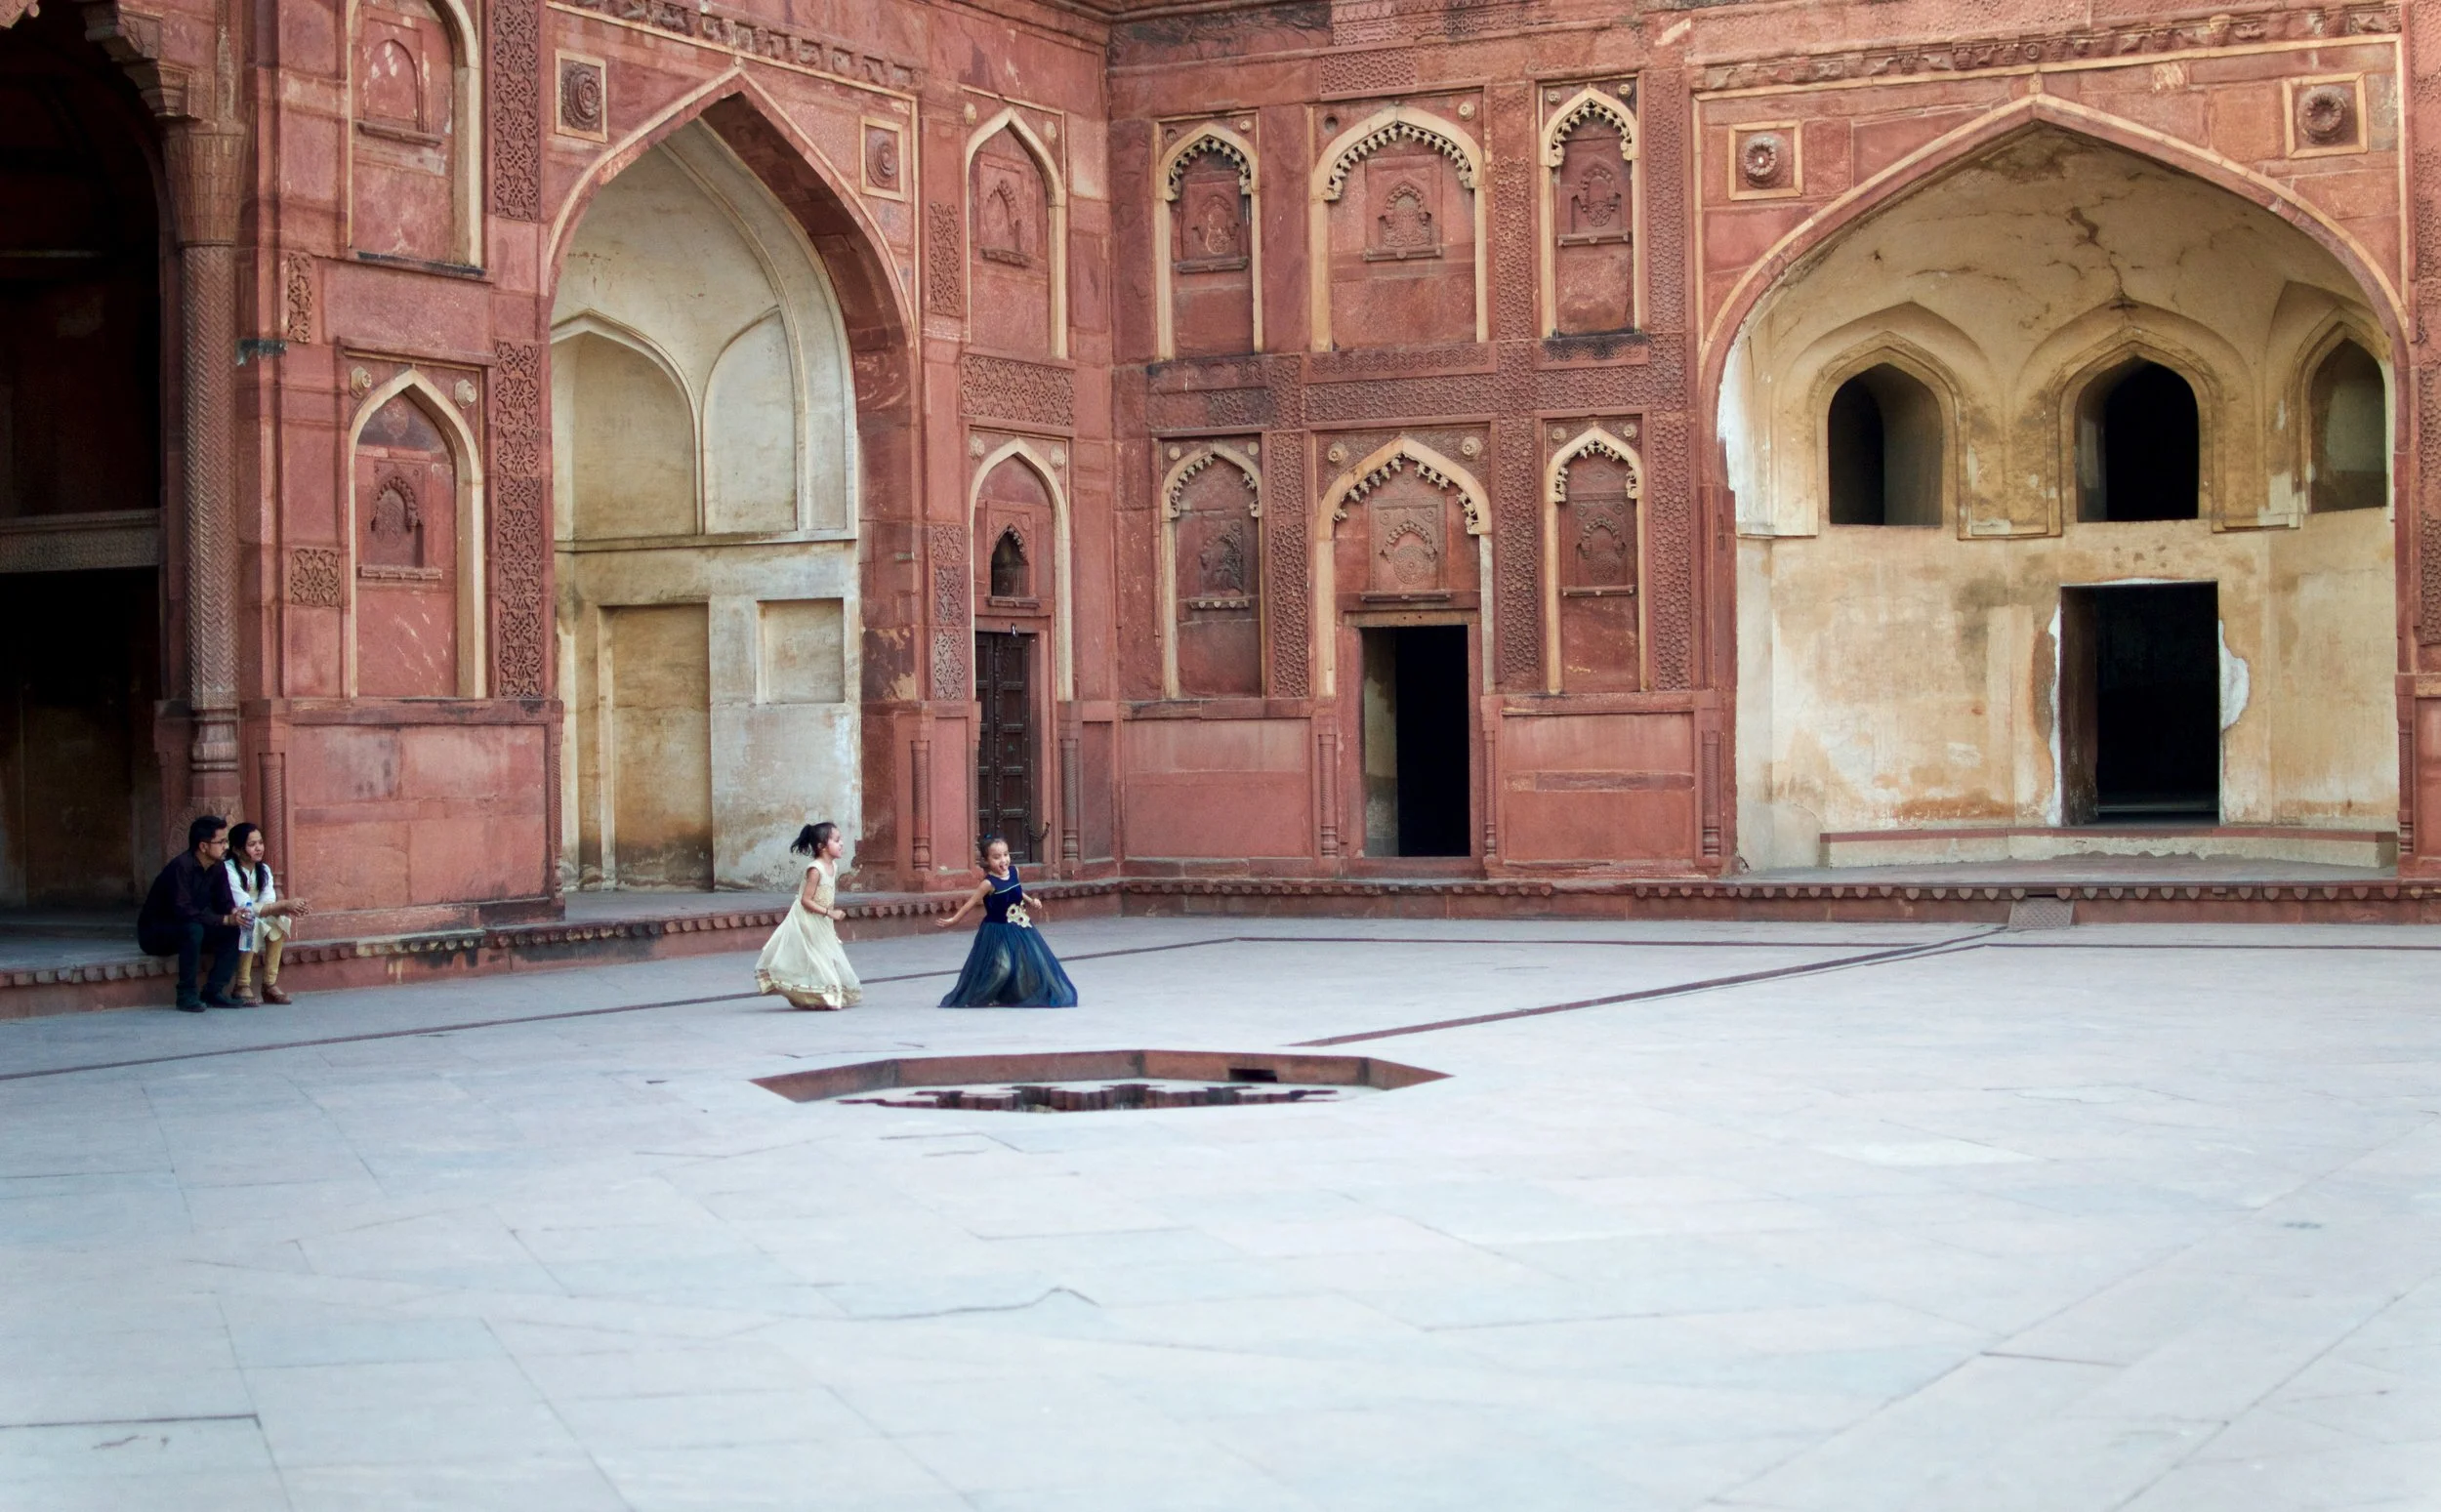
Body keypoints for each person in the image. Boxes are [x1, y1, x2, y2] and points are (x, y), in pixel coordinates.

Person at [934, 835, 1077, 1007]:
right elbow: (970, 904)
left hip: (1021, 927)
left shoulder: (1014, 872)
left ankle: (1015, 995)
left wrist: (1031, 901)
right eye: (996, 857)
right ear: (987, 860)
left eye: (1006, 854)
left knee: (1033, 961)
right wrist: (953, 920)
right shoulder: (988, 883)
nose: (1003, 860)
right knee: (1004, 967)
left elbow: (1017, 890)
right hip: (997, 931)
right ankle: (978, 998)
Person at [137, 815, 249, 1012]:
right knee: (193, 930)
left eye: (226, 841)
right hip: (157, 933)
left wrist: (235, 913)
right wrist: (223, 919)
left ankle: (213, 991)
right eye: (221, 842)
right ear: (203, 846)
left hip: (191, 925)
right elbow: (183, 910)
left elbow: (224, 902)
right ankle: (186, 994)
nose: (225, 846)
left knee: (233, 930)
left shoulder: (218, 866)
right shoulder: (180, 867)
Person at [753, 822, 863, 1009]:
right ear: (821, 846)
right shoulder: (815, 869)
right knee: (816, 956)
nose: (842, 843)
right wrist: (830, 913)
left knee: (825, 956)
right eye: (836, 840)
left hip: (822, 921)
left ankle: (816, 994)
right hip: (806, 919)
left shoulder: (833, 867)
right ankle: (823, 994)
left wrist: (828, 916)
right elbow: (806, 900)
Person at [223, 822, 309, 1005]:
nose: (259, 848)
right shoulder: (227, 869)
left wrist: (286, 908)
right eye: (252, 844)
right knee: (249, 920)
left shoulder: (264, 870)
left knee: (278, 920)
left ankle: (269, 984)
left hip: (257, 913)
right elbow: (243, 904)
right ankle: (242, 985)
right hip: (230, 918)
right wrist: (285, 904)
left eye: (260, 843)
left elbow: (268, 903)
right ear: (237, 850)